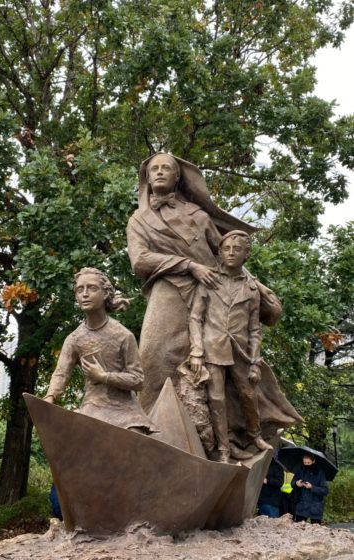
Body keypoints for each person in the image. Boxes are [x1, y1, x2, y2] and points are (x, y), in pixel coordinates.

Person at [127, 152, 301, 457]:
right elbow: (140, 261)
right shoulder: (139, 220)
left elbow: (226, 257)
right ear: (147, 178)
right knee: (152, 359)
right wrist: (188, 265)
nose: (160, 172)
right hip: (168, 293)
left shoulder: (198, 216)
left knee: (221, 370)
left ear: (178, 177)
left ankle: (223, 440)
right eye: (154, 169)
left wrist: (257, 288)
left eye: (166, 168)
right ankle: (143, 438)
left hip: (213, 295)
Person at [186, 230, 272, 462]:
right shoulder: (209, 281)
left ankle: (255, 435)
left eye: (237, 249)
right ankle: (224, 449)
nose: (231, 253)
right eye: (226, 249)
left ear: (246, 255)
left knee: (248, 394)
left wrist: (255, 362)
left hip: (241, 352)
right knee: (216, 399)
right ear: (220, 253)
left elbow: (255, 329)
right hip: (212, 347)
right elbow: (195, 317)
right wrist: (196, 351)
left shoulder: (252, 288)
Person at [44, 267, 156, 434]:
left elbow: (138, 380)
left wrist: (104, 376)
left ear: (105, 294)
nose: (85, 294)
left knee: (134, 437)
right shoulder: (74, 339)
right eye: (79, 290)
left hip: (125, 410)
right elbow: (61, 373)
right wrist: (50, 397)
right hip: (93, 406)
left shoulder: (123, 335)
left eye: (92, 288)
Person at [291, 453, 328, 523]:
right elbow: (292, 483)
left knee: (315, 528)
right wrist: (296, 483)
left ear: (313, 461)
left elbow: (325, 491)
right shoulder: (300, 470)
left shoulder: (320, 472)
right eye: (305, 463)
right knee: (298, 528)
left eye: (308, 463)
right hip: (301, 506)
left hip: (315, 508)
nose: (306, 464)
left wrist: (312, 487)